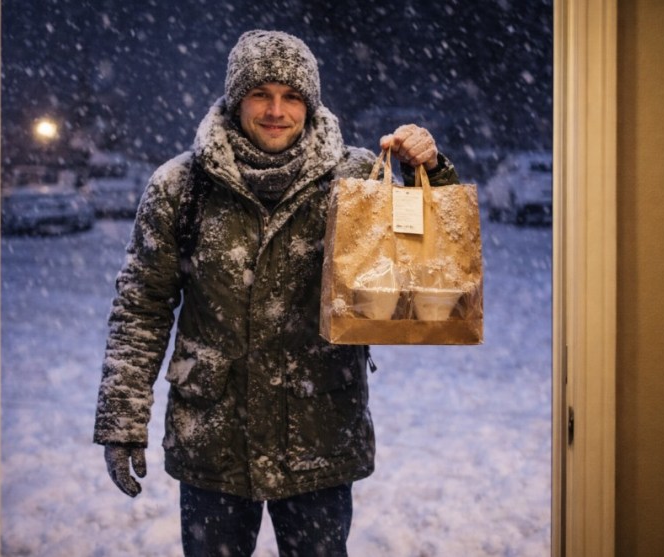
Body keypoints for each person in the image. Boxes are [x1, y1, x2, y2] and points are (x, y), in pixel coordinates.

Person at [94, 29, 460, 556]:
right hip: (214, 437)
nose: (275, 110)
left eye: (291, 97)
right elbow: (140, 308)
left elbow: (440, 256)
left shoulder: (356, 178)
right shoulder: (181, 187)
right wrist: (122, 417)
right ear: (235, 98)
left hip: (318, 431)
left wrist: (430, 170)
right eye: (260, 94)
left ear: (310, 106)